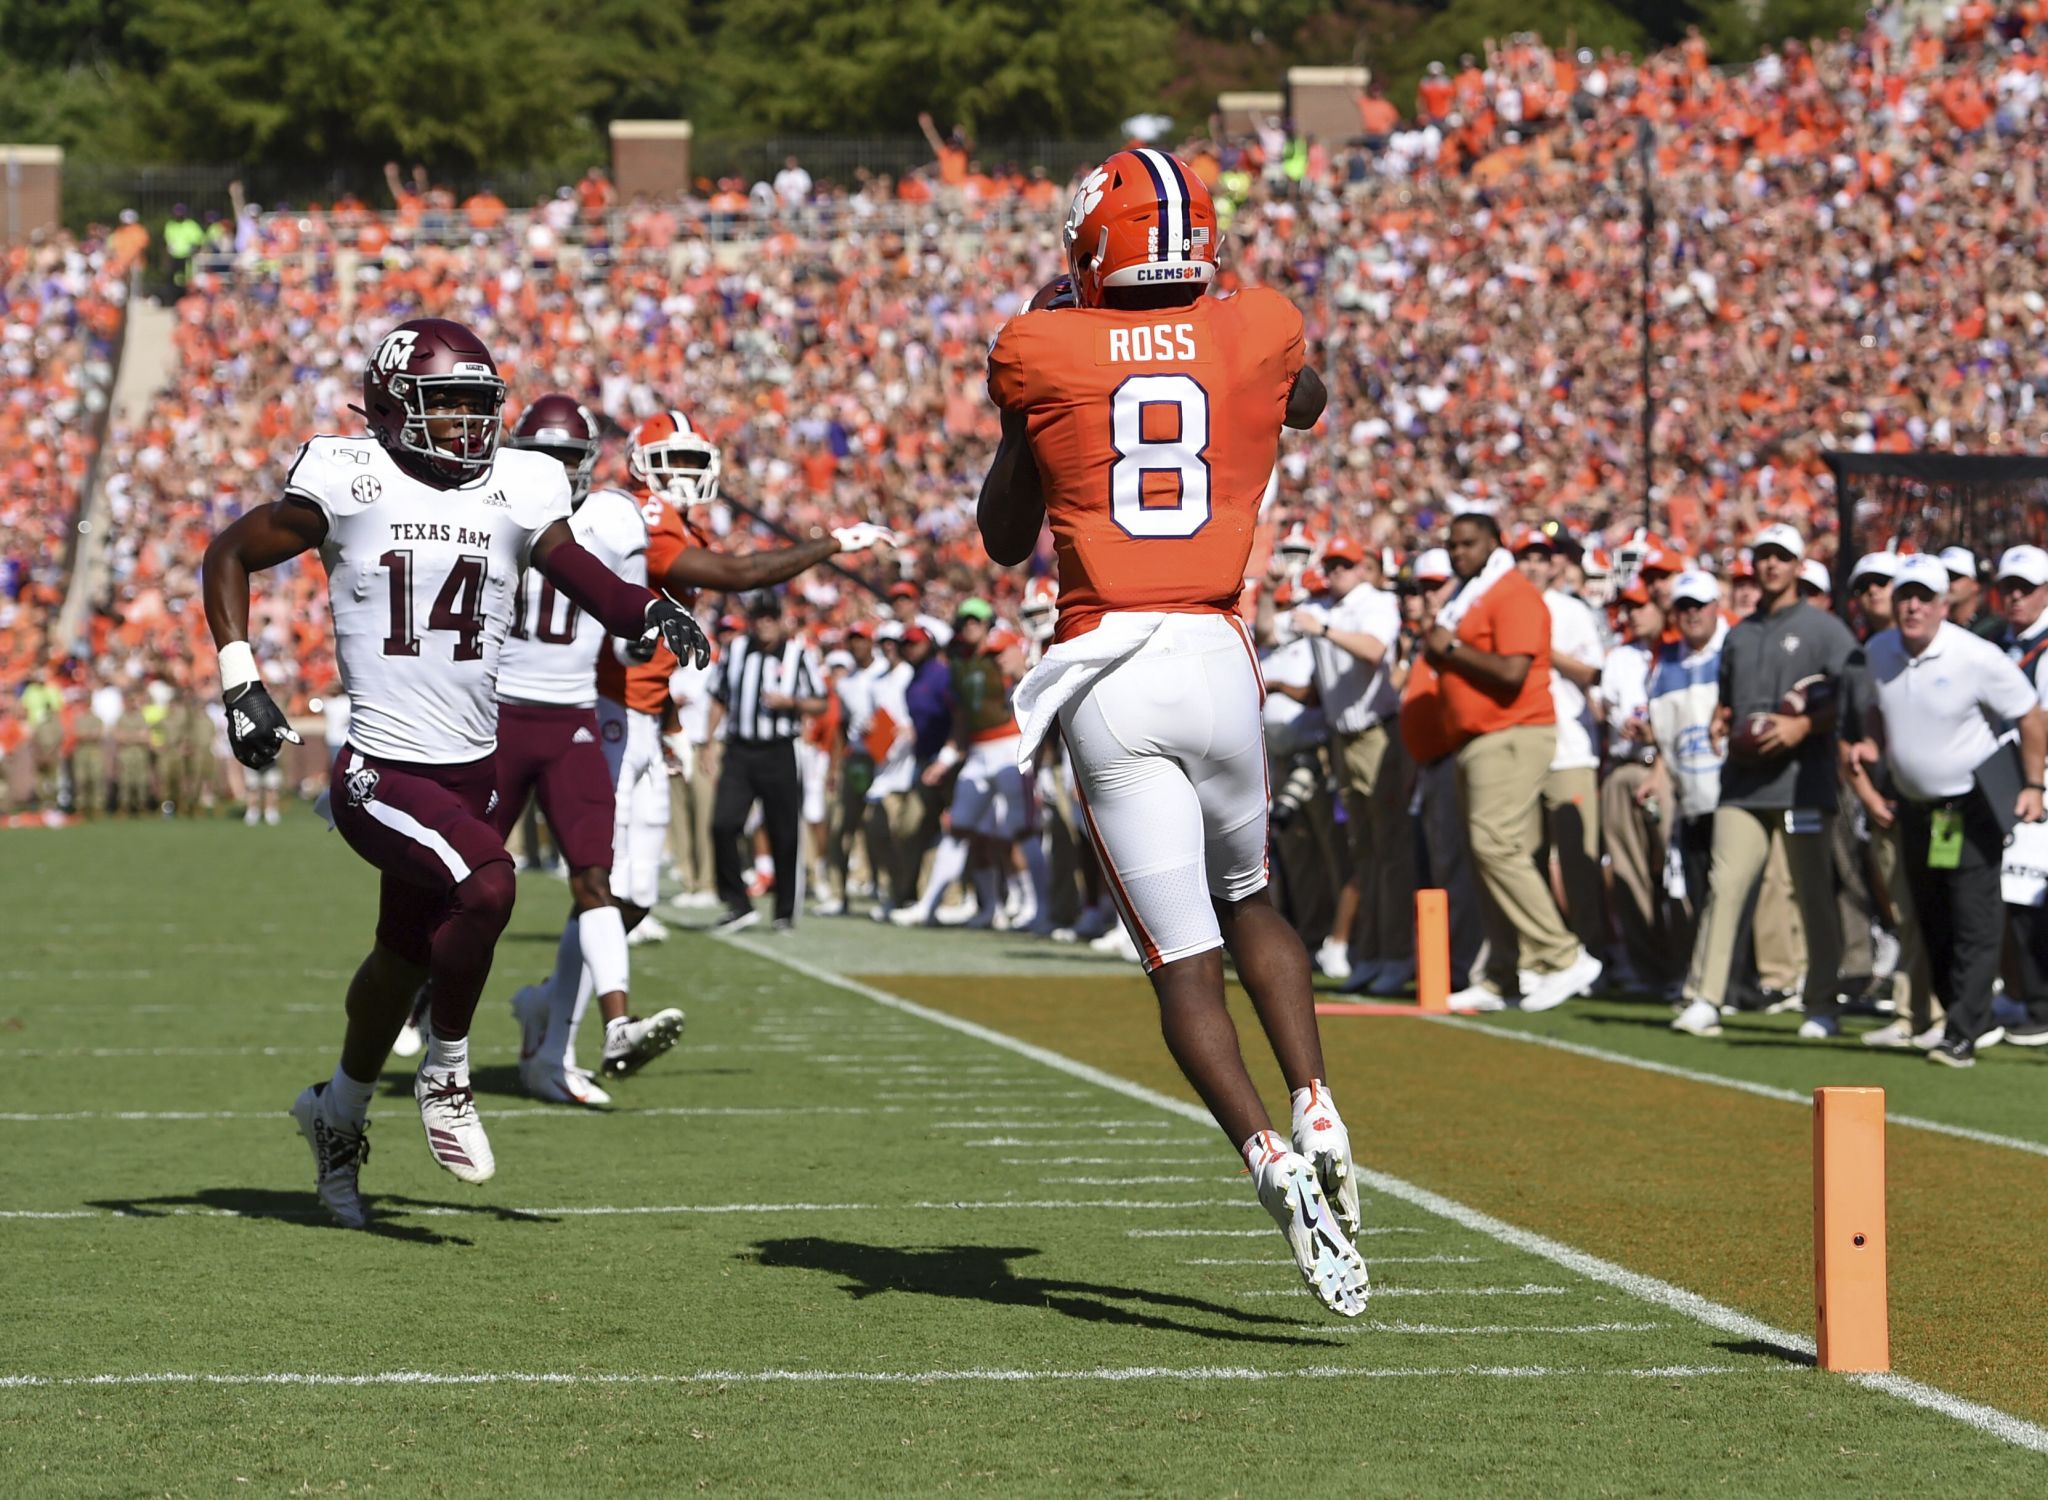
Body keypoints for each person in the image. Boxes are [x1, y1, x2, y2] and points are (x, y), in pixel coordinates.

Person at [202, 317, 709, 1228]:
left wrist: (646, 607)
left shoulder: (519, 482)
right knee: (490, 883)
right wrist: (242, 680)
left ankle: (337, 1114)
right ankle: (447, 1075)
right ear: (396, 407)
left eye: (480, 407)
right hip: (378, 768)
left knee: (401, 957)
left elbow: (578, 571)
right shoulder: (347, 477)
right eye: (448, 408)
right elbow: (229, 552)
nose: (469, 427)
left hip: (470, 766)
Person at [981, 153, 1368, 1317]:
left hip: (1107, 661)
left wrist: (1044, 392)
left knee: (1177, 958)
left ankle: (1265, 1156)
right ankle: (1315, 1097)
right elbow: (1308, 398)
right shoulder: (1260, 321)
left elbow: (1006, 534)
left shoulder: (1036, 345)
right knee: (1253, 900)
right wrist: (1206, 313)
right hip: (1216, 655)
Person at [521, 408, 888, 1067]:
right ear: (642, 465)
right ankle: (564, 1044)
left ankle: (548, 1005)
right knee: (600, 886)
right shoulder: (639, 515)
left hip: (639, 715)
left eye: (697, 464)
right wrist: (830, 544)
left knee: (631, 897)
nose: (687, 476)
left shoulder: (670, 521)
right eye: (677, 462)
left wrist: (665, 718)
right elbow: (741, 576)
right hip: (603, 715)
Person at [485, 394, 685, 1106]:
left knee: (595, 878)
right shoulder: (486, 503)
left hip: (571, 715)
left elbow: (627, 618)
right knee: (464, 883)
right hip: (495, 716)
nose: (557, 469)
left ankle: (616, 1023)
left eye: (568, 457)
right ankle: (427, 1019)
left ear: (589, 461)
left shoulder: (611, 518)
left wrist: (647, 639)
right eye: (544, 456)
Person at [1848, 554, 2046, 1067]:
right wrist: (1872, 743)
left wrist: (2032, 784)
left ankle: (1964, 1029)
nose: (1912, 606)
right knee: (1929, 914)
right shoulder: (1880, 649)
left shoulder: (1976, 656)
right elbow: (1876, 704)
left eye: (1924, 598)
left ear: (1943, 606)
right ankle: (1957, 1015)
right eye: (1905, 597)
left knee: (1975, 916)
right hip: (1916, 805)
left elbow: (2029, 714)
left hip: (1972, 801)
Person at [1677, 524, 1860, 1040]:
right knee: (1724, 886)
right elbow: (1730, 700)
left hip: (1803, 781)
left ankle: (1822, 1003)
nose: (1771, 565)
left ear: (1799, 565)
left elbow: (1850, 691)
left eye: (1782, 557)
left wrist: (1806, 723)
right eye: (1764, 557)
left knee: (1811, 894)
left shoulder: (1825, 629)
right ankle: (1705, 995)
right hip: (1743, 782)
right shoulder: (1739, 633)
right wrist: (1721, 719)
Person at [1429, 513, 1602, 1012]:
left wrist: (1453, 649)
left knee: (1494, 842)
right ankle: (1503, 970)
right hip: (1479, 738)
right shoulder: (1475, 595)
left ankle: (1563, 955)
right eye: (1452, 544)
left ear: (1493, 544)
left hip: (1512, 731)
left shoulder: (1512, 592)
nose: (1458, 552)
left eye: (1468, 543)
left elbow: (1511, 670)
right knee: (1487, 851)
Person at [1290, 536, 1409, 992]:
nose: (1337, 571)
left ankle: (1395, 954)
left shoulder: (1373, 603)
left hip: (1376, 732)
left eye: (1346, 564)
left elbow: (1375, 650)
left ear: (1363, 568)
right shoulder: (1327, 607)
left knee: (1389, 849)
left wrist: (1321, 631)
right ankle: (1372, 951)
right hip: (1344, 736)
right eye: (1332, 564)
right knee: (1365, 849)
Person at [709, 593, 828, 931]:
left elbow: (821, 702)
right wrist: (706, 741)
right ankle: (738, 903)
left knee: (784, 832)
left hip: (779, 750)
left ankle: (784, 911)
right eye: (759, 616)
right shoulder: (734, 653)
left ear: (781, 620)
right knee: (722, 824)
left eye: (770, 617)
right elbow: (718, 696)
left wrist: (791, 701)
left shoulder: (797, 654)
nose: (764, 623)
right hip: (739, 750)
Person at [1650, 573, 1733, 1034]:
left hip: (1732, 792)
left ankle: (1739, 984)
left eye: (1699, 605)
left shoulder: (1731, 649)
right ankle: (1711, 985)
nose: (1693, 613)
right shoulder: (1666, 661)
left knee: (1733, 890)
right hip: (1691, 793)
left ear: (1716, 606)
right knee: (1701, 889)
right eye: (1684, 606)